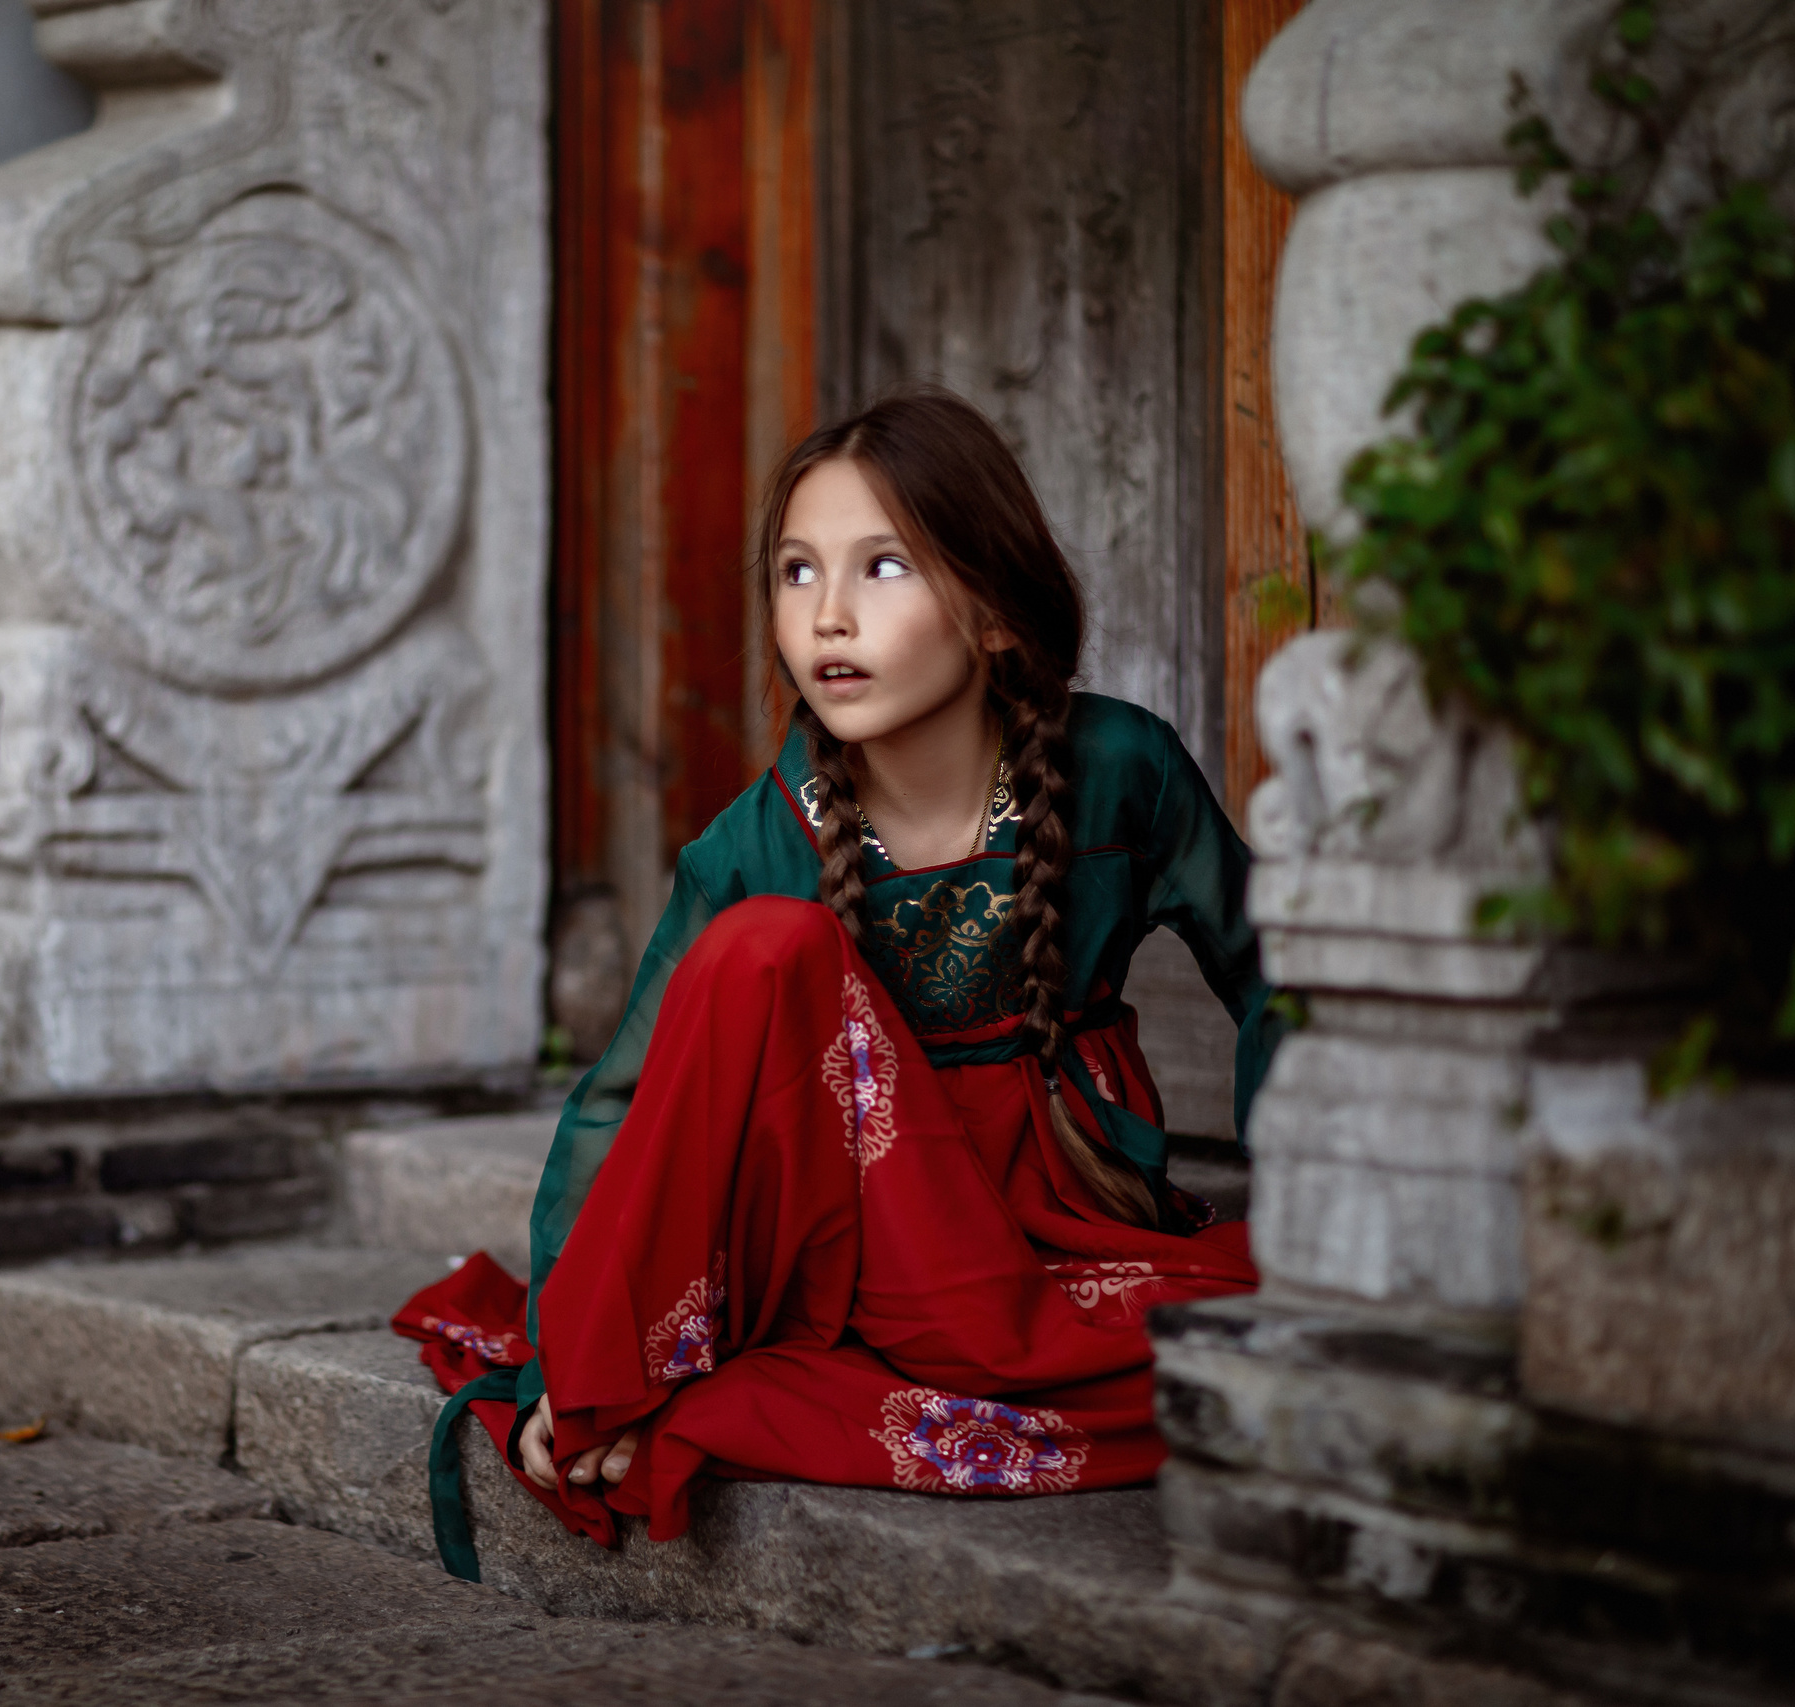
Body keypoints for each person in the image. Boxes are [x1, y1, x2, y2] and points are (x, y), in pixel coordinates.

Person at [393, 387, 1282, 1581]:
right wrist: (569, 1359)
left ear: (993, 611)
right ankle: (667, 1372)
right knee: (765, 946)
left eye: (884, 567)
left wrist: (1310, 1194)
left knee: (1274, 1343)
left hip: (1056, 1206)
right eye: (798, 571)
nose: (829, 615)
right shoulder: (758, 841)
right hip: (851, 1239)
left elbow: (1276, 975)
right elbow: (619, 1105)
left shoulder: (1120, 769)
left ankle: (920, 1360)